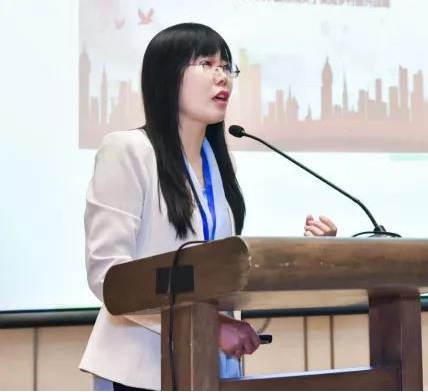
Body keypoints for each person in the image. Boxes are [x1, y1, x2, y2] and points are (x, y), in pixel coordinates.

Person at [79, 23, 338, 390]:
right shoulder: (128, 151)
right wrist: (211, 325)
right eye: (206, 64)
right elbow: (110, 276)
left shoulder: (219, 164)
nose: (222, 77)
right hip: (140, 369)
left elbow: (222, 269)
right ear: (167, 75)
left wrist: (308, 256)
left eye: (227, 66)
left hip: (207, 368)